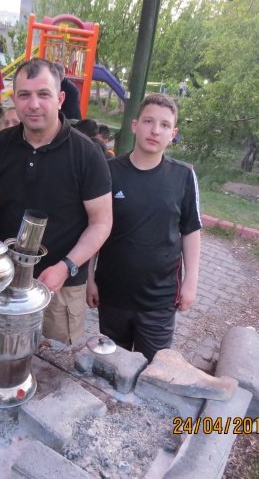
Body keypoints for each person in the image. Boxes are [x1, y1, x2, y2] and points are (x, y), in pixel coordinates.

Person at [0, 58, 112, 345]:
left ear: (60, 99)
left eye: (43, 94)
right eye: (24, 95)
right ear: (14, 99)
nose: (34, 104)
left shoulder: (88, 154)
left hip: (62, 286)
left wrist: (66, 266)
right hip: (5, 279)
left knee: (56, 363)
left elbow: (101, 223)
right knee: (0, 354)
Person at [87, 93, 202, 362]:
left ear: (173, 134)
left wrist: (191, 281)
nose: (155, 130)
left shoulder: (184, 176)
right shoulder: (109, 172)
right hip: (112, 294)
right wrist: (89, 277)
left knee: (152, 370)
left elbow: (191, 230)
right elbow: (93, 226)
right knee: (113, 367)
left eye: (164, 125)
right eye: (149, 121)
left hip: (159, 300)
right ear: (135, 125)